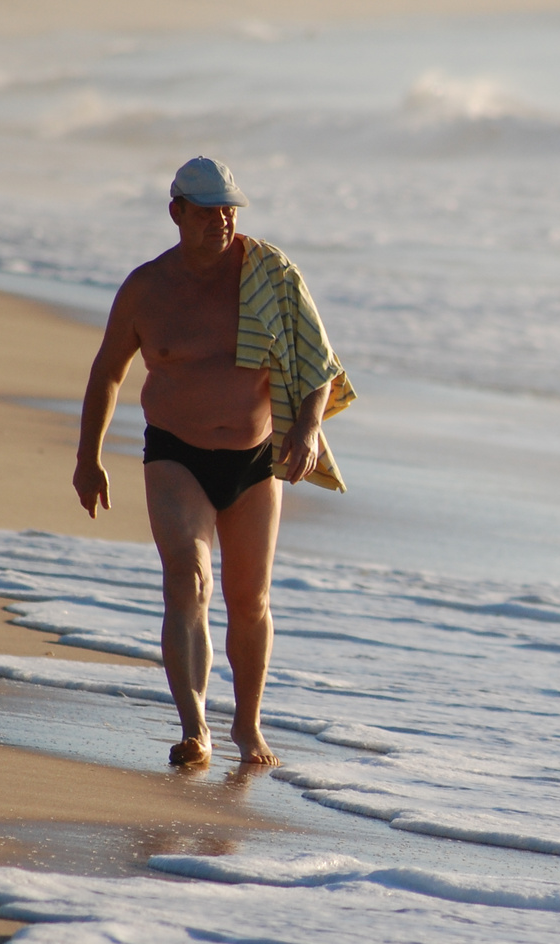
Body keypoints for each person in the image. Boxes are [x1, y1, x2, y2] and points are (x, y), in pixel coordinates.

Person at [73, 156, 354, 769]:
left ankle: (247, 727)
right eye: (206, 213)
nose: (221, 223)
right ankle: (195, 726)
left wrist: (306, 430)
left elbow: (318, 366)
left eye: (229, 211)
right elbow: (108, 373)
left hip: (254, 461)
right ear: (176, 212)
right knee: (188, 578)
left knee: (249, 598)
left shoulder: (268, 275)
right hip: (176, 453)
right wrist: (88, 457)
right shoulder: (147, 289)